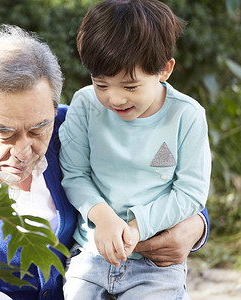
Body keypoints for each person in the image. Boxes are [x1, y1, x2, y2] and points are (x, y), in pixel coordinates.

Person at [0, 24, 209, 299]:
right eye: (5, 132)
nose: (25, 150)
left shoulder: (76, 129)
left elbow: (159, 180)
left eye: (39, 127)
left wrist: (196, 227)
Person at [59, 1, 212, 299]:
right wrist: (102, 217)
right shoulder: (85, 105)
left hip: (155, 266)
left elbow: (191, 192)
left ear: (164, 70)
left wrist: (138, 227)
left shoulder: (186, 116)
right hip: (91, 254)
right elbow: (74, 173)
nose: (115, 98)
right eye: (101, 84)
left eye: (130, 87)